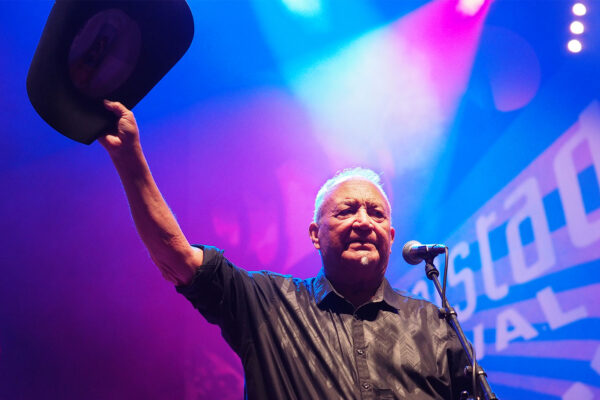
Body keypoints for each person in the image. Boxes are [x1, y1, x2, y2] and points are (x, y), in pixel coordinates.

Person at [100, 100, 470, 399]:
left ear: (390, 236)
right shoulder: (268, 303)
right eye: (346, 211)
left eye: (376, 213)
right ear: (314, 234)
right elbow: (176, 257)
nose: (363, 221)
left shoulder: (435, 324)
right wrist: (130, 160)